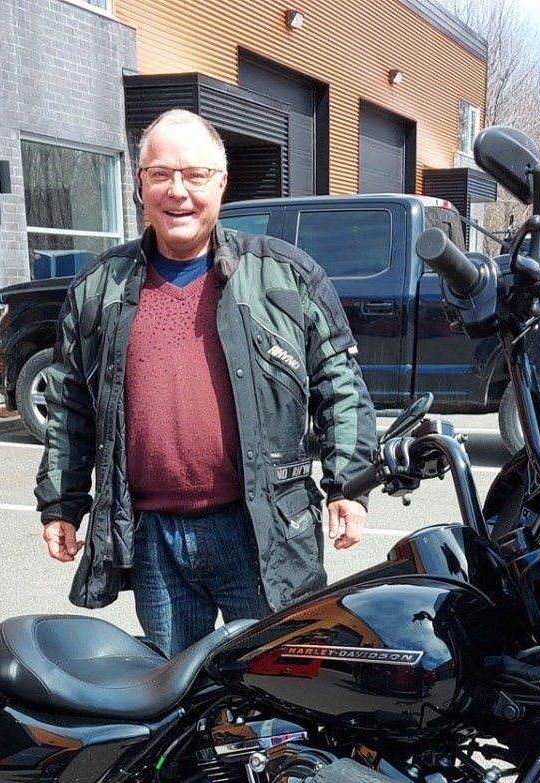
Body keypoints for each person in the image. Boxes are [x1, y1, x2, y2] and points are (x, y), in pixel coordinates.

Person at [34, 108, 376, 657]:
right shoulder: (98, 288)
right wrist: (61, 503)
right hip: (154, 540)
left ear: (220, 183)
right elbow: (70, 405)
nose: (178, 192)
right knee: (176, 698)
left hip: (261, 526)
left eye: (194, 175)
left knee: (275, 689)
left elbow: (339, 382)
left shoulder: (286, 276)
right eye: (160, 174)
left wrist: (349, 486)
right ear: (140, 184)